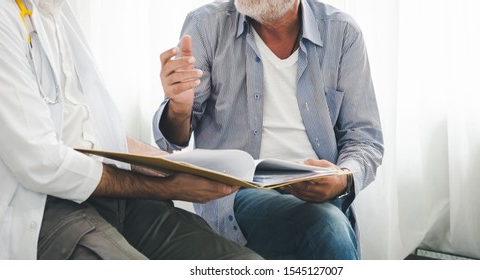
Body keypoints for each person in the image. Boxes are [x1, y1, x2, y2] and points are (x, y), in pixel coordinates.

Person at [0, 0, 261, 260]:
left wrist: (176, 167)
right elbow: (42, 164)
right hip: (34, 212)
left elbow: (91, 130)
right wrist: (168, 187)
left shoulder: (54, 15)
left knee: (246, 267)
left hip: (107, 200)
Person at [155, 0, 383, 259]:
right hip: (237, 191)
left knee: (328, 221)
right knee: (325, 226)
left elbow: (364, 138)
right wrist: (179, 107)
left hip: (319, 189)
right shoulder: (206, 25)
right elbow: (172, 144)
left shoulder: (342, 32)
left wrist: (342, 178)